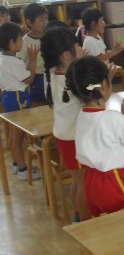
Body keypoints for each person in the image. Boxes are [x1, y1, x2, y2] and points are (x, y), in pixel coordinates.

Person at [67, 56, 124, 216]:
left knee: (101, 225)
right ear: (104, 86)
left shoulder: (81, 115)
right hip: (113, 181)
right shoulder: (113, 118)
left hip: (90, 181)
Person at [40, 27, 88, 221]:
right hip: (73, 139)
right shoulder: (69, 81)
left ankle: (78, 215)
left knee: (79, 180)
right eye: (78, 46)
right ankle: (84, 220)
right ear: (66, 55)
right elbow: (88, 97)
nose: (82, 49)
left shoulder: (54, 73)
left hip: (66, 138)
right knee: (84, 182)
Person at [0, 22, 40, 180]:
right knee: (18, 137)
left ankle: (17, 164)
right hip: (18, 98)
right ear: (11, 43)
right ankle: (23, 169)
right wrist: (33, 59)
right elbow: (29, 79)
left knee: (13, 135)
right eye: (20, 40)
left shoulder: (3, 57)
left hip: (8, 97)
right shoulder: (14, 62)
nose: (22, 42)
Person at [16, 3, 48, 103]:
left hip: (49, 75)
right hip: (35, 78)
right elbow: (20, 63)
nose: (45, 22)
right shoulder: (25, 41)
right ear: (29, 22)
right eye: (41, 20)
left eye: (46, 19)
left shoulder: (48, 36)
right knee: (38, 104)